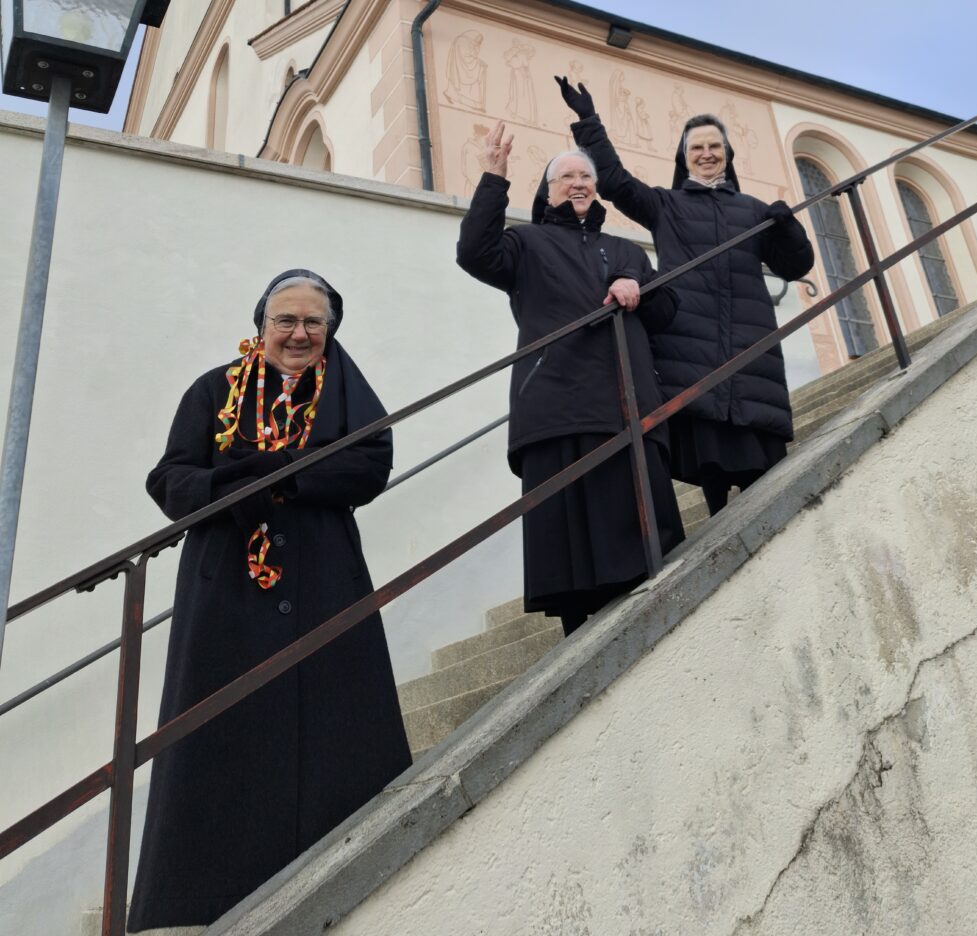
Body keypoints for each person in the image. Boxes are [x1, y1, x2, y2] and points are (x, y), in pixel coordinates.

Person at [127, 270, 412, 933]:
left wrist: (286, 477)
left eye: (313, 322)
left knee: (335, 718)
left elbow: (371, 463)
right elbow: (169, 477)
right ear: (261, 326)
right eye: (286, 320)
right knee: (225, 727)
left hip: (322, 575)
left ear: (330, 331)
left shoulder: (346, 391)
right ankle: (208, 893)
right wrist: (231, 487)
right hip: (227, 586)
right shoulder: (213, 390)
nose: (299, 333)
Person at [456, 122, 684, 636]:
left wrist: (635, 284)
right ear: (548, 189)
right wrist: (494, 177)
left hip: (627, 403)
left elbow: (667, 308)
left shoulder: (625, 250)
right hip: (556, 406)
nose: (578, 183)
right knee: (570, 550)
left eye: (586, 176)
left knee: (643, 538)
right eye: (566, 177)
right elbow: (474, 253)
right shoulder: (525, 242)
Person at [557, 78, 816, 516]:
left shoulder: (754, 211)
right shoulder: (666, 205)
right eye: (697, 147)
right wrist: (588, 122)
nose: (706, 154)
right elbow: (616, 183)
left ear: (727, 154)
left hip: (751, 352)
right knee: (709, 461)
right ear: (684, 156)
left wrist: (788, 227)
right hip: (690, 351)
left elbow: (796, 266)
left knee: (762, 468)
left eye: (715, 146)